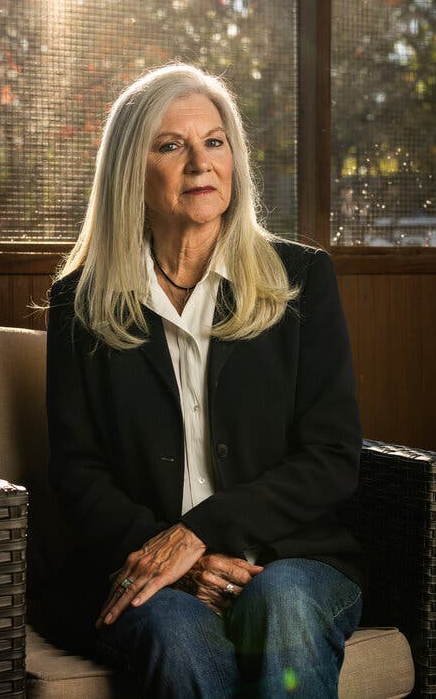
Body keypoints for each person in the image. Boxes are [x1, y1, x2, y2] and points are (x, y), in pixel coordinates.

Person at [46, 62, 363, 698]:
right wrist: (167, 559)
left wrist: (199, 535)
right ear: (131, 171)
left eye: (214, 141)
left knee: (286, 601)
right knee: (176, 631)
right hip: (141, 564)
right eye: (171, 146)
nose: (201, 164)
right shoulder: (78, 302)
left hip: (292, 559)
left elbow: (331, 457)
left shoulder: (301, 280)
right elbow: (78, 471)